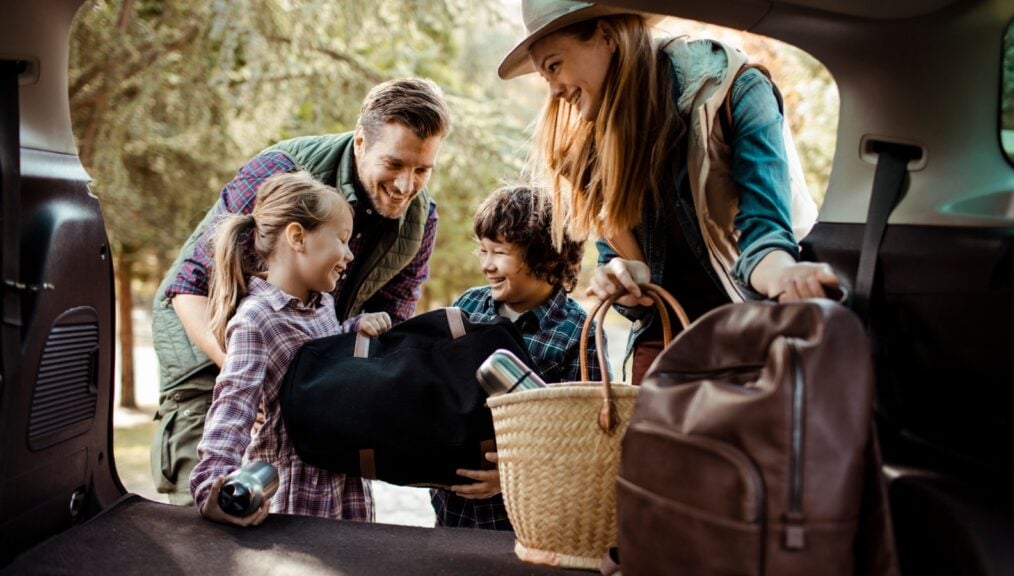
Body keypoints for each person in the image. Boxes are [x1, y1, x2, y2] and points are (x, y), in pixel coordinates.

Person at [500, 0, 840, 382]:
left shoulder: (736, 91)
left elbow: (766, 239)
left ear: (606, 36)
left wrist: (787, 278)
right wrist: (622, 277)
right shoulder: (590, 154)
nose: (555, 92)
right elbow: (630, 275)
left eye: (554, 66)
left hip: (751, 341)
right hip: (664, 354)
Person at [151, 77, 450, 505]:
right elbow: (188, 286)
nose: (406, 185)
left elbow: (388, 331)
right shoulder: (281, 168)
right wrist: (256, 384)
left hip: (304, 375)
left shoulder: (421, 221)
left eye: (422, 170)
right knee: (209, 518)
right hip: (211, 356)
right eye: (395, 164)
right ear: (361, 142)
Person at [190, 171, 390, 526]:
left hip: (344, 484)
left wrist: (352, 330)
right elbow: (233, 407)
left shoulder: (322, 305)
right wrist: (211, 487)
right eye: (342, 240)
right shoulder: (257, 319)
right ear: (297, 237)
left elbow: (319, 359)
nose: (348, 254)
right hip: (297, 494)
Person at [430, 184, 609, 531]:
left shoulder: (579, 333)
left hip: (523, 520)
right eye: (482, 250)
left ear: (548, 255)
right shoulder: (468, 305)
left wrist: (509, 478)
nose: (487, 265)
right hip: (451, 513)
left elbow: (584, 442)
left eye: (499, 252)